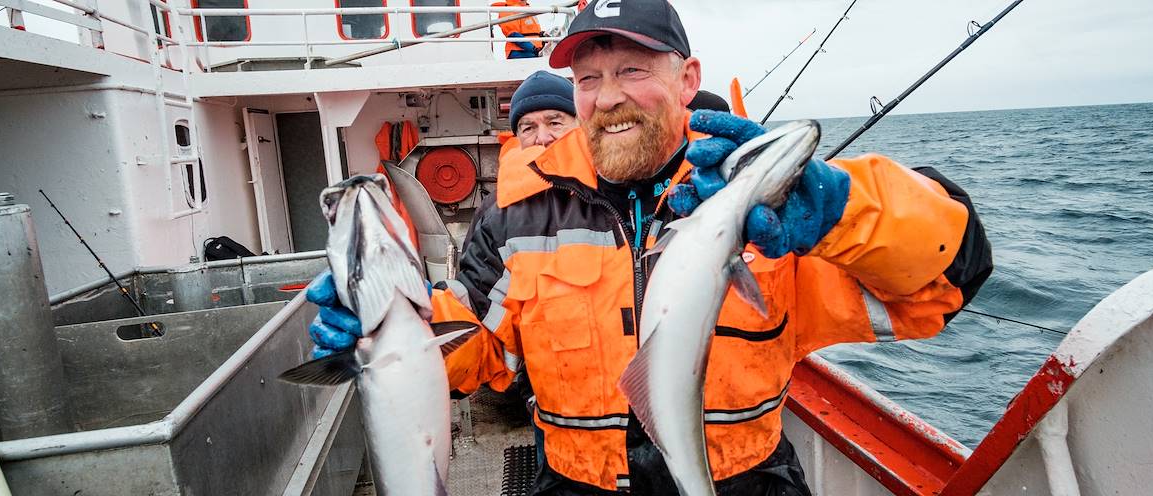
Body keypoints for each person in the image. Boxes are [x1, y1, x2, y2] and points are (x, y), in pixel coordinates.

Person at [305, 0, 993, 494]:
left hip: (745, 483)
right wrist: (390, 331)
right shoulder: (515, 218)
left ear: (688, 79)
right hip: (573, 484)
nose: (607, 99)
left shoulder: (765, 207)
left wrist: (843, 211)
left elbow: (946, 281)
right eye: (588, 79)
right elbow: (481, 349)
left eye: (632, 70)